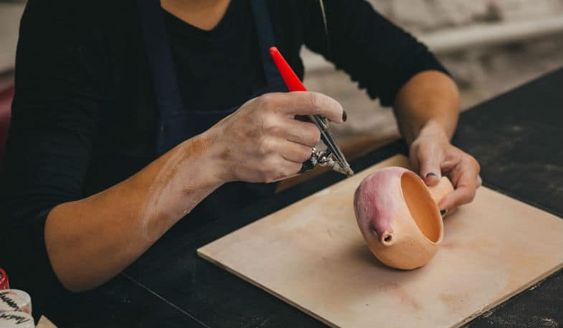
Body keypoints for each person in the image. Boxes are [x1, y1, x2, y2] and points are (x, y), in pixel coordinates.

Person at [0, 0, 480, 295]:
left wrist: (432, 133)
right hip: (129, 295)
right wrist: (208, 158)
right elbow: (42, 257)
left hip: (252, 261)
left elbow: (412, 69)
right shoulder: (71, 15)